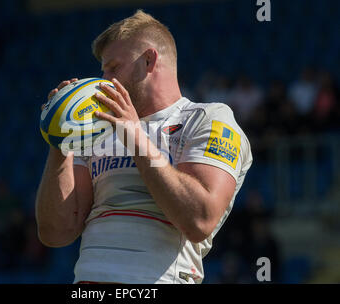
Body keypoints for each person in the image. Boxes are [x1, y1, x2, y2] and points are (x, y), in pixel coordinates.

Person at [35, 10, 253, 284]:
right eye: (103, 70)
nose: (103, 80)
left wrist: (134, 137)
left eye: (113, 68)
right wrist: (60, 141)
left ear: (149, 60)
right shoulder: (94, 132)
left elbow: (200, 219)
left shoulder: (207, 118)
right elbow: (56, 233)